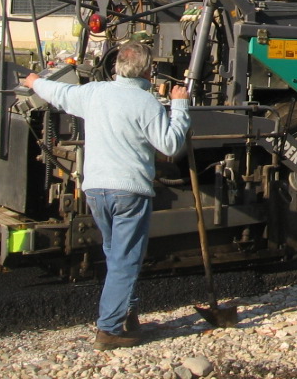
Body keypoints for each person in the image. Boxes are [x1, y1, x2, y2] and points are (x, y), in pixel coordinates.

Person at [23, 42, 190, 350]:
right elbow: (169, 145)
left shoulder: (94, 93)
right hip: (129, 192)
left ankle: (127, 317)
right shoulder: (147, 103)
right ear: (148, 71)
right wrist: (179, 107)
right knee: (126, 261)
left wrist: (34, 82)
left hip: (96, 191)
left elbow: (59, 94)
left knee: (117, 258)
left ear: (116, 67)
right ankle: (109, 329)